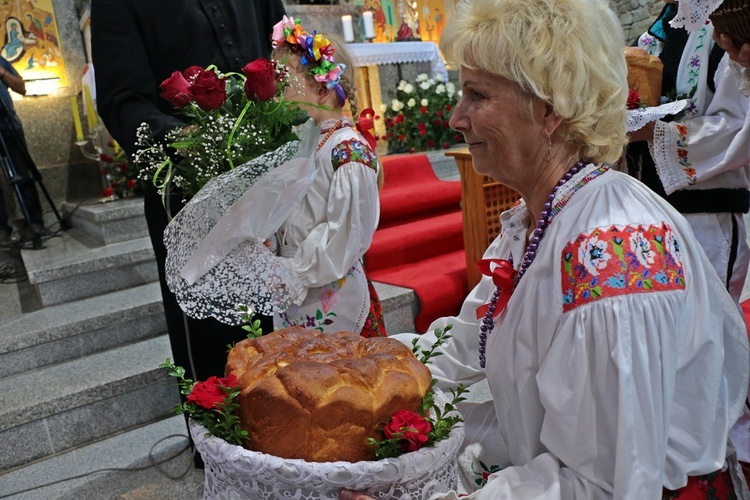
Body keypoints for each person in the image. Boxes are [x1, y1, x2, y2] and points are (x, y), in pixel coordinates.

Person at [335, 0, 750, 498]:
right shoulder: (546, 216)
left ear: (550, 109)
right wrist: (350, 364)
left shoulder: (610, 256)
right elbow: (461, 348)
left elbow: (603, 485)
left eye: (477, 95)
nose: (456, 118)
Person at [90, 0, 286, 385]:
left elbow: (284, 49)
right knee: (215, 346)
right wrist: (188, 140)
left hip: (273, 182)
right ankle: (219, 444)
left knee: (287, 331)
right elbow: (121, 100)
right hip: (189, 191)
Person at [627, 0, 750, 306]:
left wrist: (655, 132)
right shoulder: (659, 29)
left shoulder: (726, 29)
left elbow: (738, 127)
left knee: (711, 333)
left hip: (705, 216)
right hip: (649, 213)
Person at [269, 20, 385, 337]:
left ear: (321, 89)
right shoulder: (305, 141)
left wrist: (292, 270)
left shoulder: (348, 151)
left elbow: (344, 235)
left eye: (285, 82)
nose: (278, 90)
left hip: (332, 292)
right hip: (295, 289)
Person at [0, 54, 45, 245]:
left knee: (22, 174)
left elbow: (21, 88)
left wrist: (2, 73)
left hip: (9, 126)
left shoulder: (1, 61)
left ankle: (34, 222)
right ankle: (2, 230)